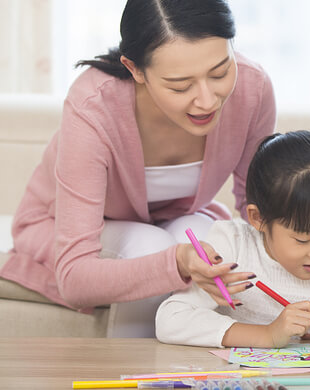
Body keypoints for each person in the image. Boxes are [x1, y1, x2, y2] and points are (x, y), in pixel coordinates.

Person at [0, 0, 275, 337]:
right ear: (135, 69)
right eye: (180, 85)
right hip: (62, 227)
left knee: (210, 240)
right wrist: (174, 262)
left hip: (172, 222)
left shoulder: (253, 89)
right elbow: (73, 276)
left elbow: (260, 208)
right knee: (151, 246)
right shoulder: (94, 106)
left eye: (220, 72)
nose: (207, 100)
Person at [155, 131, 310, 348]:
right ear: (258, 218)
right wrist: (266, 335)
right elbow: (170, 319)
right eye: (302, 239)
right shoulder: (232, 247)